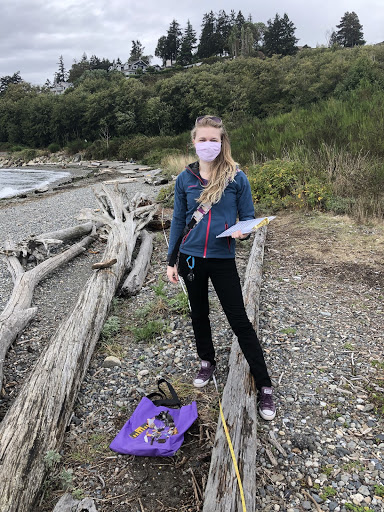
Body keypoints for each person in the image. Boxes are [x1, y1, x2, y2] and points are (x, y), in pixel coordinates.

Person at [166, 115, 276, 421]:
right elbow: (178, 220)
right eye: (203, 139)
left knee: (239, 320)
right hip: (190, 258)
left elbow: (248, 218)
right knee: (198, 312)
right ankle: (206, 360)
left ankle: (265, 384)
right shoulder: (184, 179)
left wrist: (245, 231)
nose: (208, 144)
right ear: (194, 142)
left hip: (223, 258)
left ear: (222, 141)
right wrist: (171, 260)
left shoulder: (237, 178)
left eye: (214, 139)